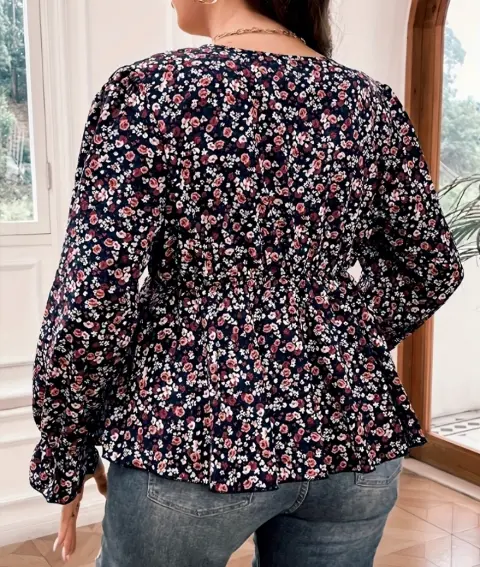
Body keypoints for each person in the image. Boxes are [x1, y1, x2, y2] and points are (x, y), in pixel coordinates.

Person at [29, 0, 464, 565]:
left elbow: (92, 295)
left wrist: (65, 446)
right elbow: (430, 265)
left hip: (187, 431)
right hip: (349, 434)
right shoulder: (370, 104)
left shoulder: (152, 91)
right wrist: (339, 334)